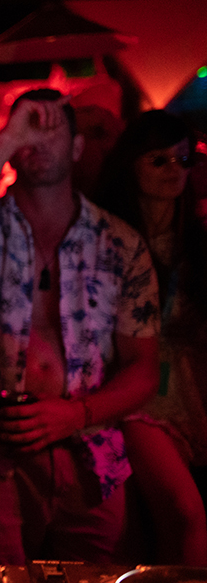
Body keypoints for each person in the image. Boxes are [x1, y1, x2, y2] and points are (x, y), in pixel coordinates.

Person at [0, 90, 161, 564]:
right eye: (27, 128)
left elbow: (144, 369)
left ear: (77, 148)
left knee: (99, 576)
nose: (37, 139)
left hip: (91, 454)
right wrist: (10, 138)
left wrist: (76, 414)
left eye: (51, 130)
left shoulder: (119, 242)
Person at [93, 110, 207, 565]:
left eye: (182, 159)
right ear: (131, 165)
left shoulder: (195, 242)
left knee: (154, 530)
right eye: (158, 161)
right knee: (186, 516)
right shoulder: (108, 236)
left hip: (187, 388)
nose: (174, 170)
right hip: (133, 395)